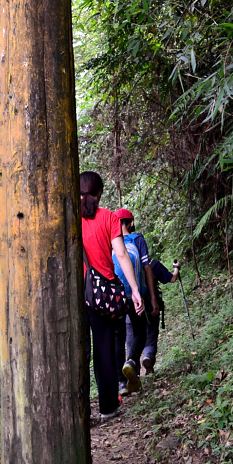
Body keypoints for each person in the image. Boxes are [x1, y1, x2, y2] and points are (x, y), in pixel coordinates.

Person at [80, 172, 144, 421]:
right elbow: (122, 254)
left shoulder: (69, 215)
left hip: (78, 294)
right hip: (103, 293)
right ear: (99, 193)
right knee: (104, 350)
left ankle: (80, 411)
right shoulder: (108, 217)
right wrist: (135, 289)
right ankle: (107, 407)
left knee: (80, 353)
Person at [112, 209, 156, 395]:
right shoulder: (137, 239)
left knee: (117, 337)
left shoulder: (111, 241)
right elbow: (146, 268)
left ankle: (121, 383)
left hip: (114, 296)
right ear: (130, 222)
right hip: (135, 294)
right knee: (140, 333)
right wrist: (152, 297)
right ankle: (131, 361)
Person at [138, 256, 180, 374]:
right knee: (151, 334)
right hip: (151, 304)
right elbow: (172, 278)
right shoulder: (153, 264)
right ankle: (148, 356)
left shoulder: (126, 264)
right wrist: (176, 268)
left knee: (133, 336)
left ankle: (132, 366)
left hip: (133, 306)